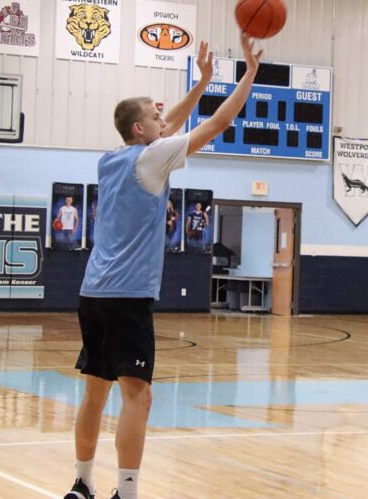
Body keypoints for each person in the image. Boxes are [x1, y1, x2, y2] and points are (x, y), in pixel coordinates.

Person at [63, 36, 262, 499]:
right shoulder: (152, 158)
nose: (163, 118)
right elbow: (222, 120)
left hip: (92, 292)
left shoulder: (112, 158)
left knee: (96, 394)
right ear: (139, 129)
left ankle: (82, 483)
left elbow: (168, 122)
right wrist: (249, 72)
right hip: (126, 296)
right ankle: (127, 494)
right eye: (154, 117)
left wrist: (204, 81)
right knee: (139, 396)